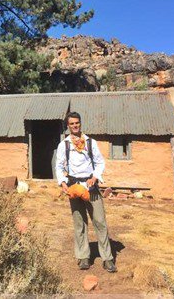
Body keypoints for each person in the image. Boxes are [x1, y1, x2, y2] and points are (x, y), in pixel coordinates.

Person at [55, 111, 117, 272]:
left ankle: (107, 258)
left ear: (80, 123)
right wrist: (62, 182)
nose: (75, 126)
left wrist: (95, 177)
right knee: (79, 223)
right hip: (74, 187)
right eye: (72, 124)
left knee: (100, 222)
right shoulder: (64, 145)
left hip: (91, 188)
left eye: (77, 123)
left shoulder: (90, 142)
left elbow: (99, 162)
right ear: (67, 126)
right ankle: (83, 257)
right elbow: (59, 166)